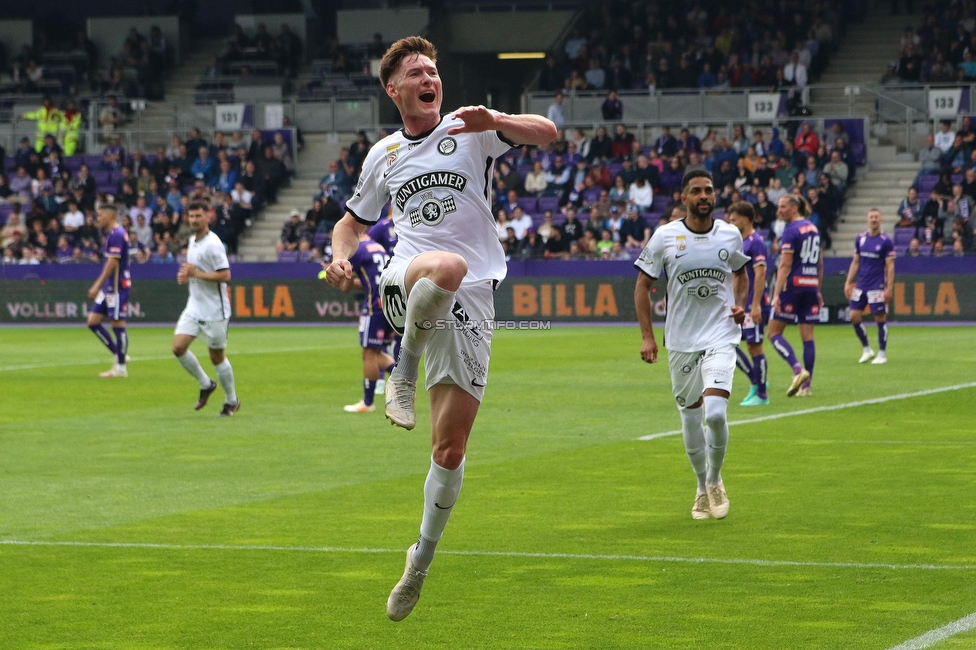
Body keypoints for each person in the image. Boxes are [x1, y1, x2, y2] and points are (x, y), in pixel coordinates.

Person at [323, 36, 556, 622]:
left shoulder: (470, 129)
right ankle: (400, 374)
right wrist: (342, 256)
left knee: (449, 450)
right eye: (416, 72)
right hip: (410, 278)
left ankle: (419, 560)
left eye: (433, 70)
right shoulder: (384, 155)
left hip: (474, 300)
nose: (430, 77)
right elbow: (350, 223)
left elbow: (547, 132)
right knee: (446, 265)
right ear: (393, 89)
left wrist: (496, 117)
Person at [634, 169, 748, 521]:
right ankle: (700, 487)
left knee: (715, 414)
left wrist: (740, 303)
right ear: (684, 198)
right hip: (681, 340)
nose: (703, 196)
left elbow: (741, 274)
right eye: (696, 191)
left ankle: (715, 481)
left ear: (715, 196)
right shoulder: (665, 237)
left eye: (709, 190)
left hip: (720, 335)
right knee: (691, 414)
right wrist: (648, 336)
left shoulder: (730, 234)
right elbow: (642, 287)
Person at [172, 202, 240, 416]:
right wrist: (186, 274)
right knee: (178, 348)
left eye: (198, 216)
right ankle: (205, 384)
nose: (193, 220)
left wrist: (196, 274)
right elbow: (195, 270)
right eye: (191, 216)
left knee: (216, 356)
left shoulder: (213, 244)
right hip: (194, 306)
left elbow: (225, 275)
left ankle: (231, 400)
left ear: (207, 217)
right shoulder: (192, 241)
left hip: (214, 310)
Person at [335, 233, 398, 413]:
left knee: (369, 353)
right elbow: (369, 281)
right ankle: (404, 381)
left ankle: (368, 402)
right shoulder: (379, 248)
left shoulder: (357, 251)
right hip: (388, 304)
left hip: (373, 307)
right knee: (375, 352)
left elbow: (345, 287)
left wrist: (336, 279)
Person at [769, 195, 822, 397]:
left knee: (774, 333)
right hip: (810, 284)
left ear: (793, 208)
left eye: (783, 207)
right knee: (808, 336)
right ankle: (806, 387)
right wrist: (818, 288)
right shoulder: (813, 229)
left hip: (792, 286)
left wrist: (776, 293)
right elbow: (819, 262)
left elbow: (785, 264)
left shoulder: (791, 230)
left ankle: (798, 370)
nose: (779, 210)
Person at [726, 202, 771, 406]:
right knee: (729, 344)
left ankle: (761, 394)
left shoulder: (756, 243)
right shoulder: (740, 242)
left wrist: (756, 304)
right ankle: (756, 382)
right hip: (741, 305)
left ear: (745, 220)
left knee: (754, 346)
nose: (730, 222)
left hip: (753, 303)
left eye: (734, 219)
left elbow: (760, 274)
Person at [844, 209, 895, 365]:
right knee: (853, 316)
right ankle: (867, 349)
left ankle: (882, 353)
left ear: (881, 219)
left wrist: (889, 288)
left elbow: (890, 266)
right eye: (871, 217)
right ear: (867, 219)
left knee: (879, 318)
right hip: (861, 284)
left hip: (877, 285)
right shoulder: (860, 238)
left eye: (876, 217)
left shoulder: (885, 240)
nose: (873, 219)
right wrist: (848, 281)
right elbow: (856, 262)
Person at [86, 204, 131, 378]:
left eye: (100, 215)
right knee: (93, 321)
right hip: (110, 287)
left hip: (118, 286)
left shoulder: (118, 234)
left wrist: (97, 285)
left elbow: (113, 263)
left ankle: (121, 368)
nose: (98, 218)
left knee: (118, 324)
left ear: (109, 216)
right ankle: (119, 354)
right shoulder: (113, 234)